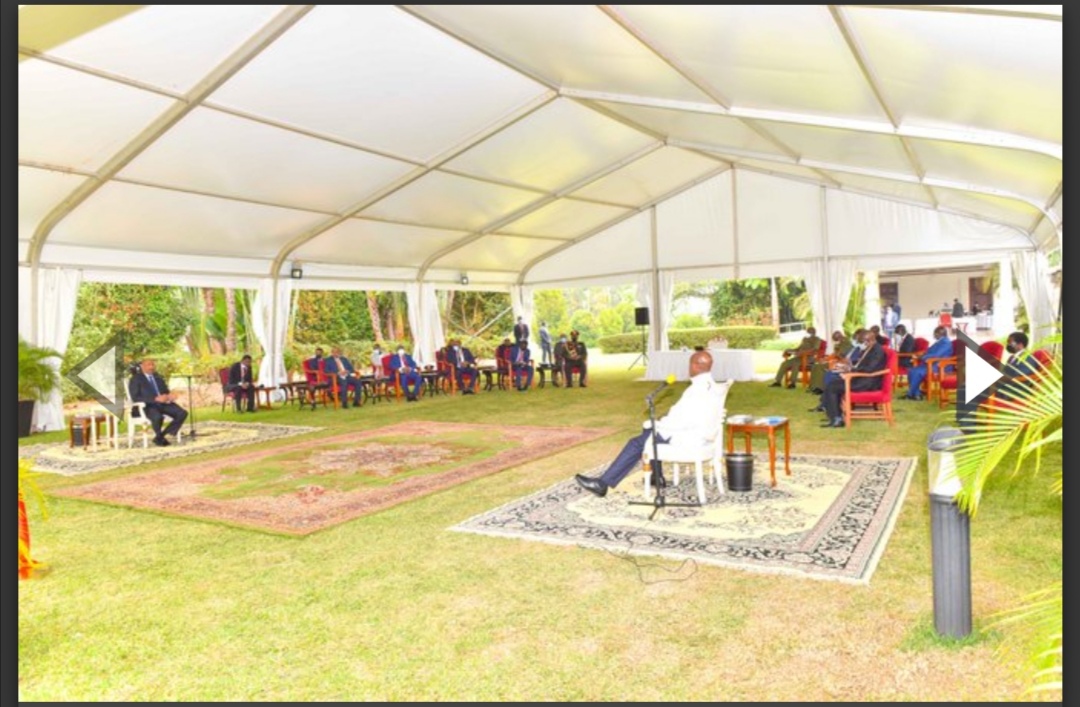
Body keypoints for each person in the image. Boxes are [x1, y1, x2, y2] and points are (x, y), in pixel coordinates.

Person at [575, 350, 722, 497]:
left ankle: (602, 484)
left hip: (688, 437)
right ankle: (656, 477)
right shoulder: (714, 386)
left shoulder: (696, 390)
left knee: (636, 442)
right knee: (648, 432)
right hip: (704, 434)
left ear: (695, 366)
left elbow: (679, 422)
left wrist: (659, 424)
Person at [820, 330, 887, 428]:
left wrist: (851, 370)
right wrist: (848, 368)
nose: (861, 345)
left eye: (862, 342)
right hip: (861, 378)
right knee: (833, 383)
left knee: (832, 387)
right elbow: (862, 365)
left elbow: (870, 369)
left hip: (868, 382)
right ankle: (835, 415)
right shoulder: (870, 348)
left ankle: (837, 419)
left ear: (869, 340)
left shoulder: (877, 350)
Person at [129, 358, 188, 446]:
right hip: (147, 406)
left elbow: (165, 391)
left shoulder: (158, 378)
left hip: (163, 404)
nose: (151, 367)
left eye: (153, 365)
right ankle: (160, 438)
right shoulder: (136, 379)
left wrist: (169, 396)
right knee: (157, 417)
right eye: (149, 365)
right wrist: (155, 399)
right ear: (142, 366)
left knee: (182, 413)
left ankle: (160, 436)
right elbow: (135, 397)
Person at [903, 325, 953, 401]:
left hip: (941, 366)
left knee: (917, 372)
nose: (934, 335)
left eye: (935, 333)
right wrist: (921, 355)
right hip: (932, 364)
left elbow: (936, 355)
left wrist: (922, 357)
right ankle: (916, 394)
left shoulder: (945, 342)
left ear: (939, 334)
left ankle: (910, 394)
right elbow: (929, 351)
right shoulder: (939, 342)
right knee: (911, 370)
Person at [808, 330, 853, 394]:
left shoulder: (847, 343)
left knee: (819, 367)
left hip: (840, 363)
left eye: (836, 339)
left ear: (839, 337)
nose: (836, 341)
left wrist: (827, 360)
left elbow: (840, 355)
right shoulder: (840, 343)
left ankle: (820, 388)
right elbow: (834, 354)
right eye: (835, 340)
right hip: (834, 361)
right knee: (815, 366)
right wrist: (825, 359)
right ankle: (813, 387)